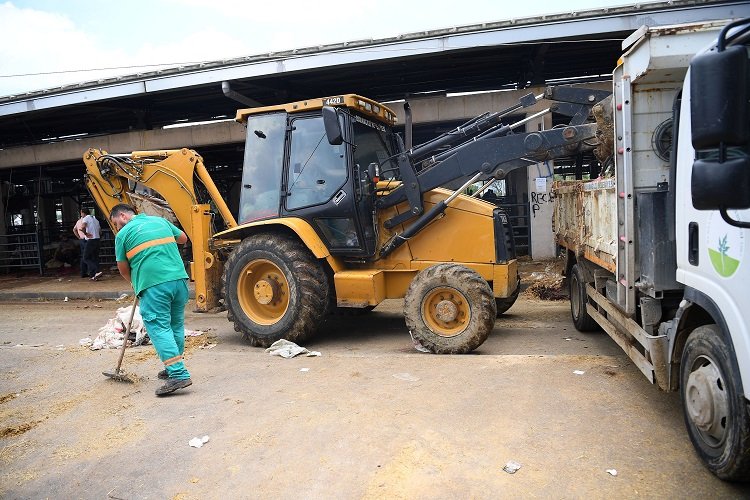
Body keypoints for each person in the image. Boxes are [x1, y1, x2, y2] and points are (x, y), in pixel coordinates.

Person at [109, 203, 192, 396]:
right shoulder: (160, 221)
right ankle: (173, 366)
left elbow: (122, 268)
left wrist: (137, 284)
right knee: (175, 325)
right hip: (179, 280)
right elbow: (182, 238)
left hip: (154, 284)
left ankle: (178, 374)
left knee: (159, 326)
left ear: (122, 216)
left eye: (115, 223)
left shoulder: (123, 235)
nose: (117, 227)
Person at [79, 208, 103, 281]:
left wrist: (86, 233)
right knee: (94, 257)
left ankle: (97, 271)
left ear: (83, 213)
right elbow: (100, 232)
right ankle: (93, 276)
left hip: (91, 240)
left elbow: (82, 227)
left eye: (81, 213)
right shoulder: (95, 219)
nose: (81, 214)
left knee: (85, 257)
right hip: (97, 240)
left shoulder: (86, 218)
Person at [73, 211, 88, 277]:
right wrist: (86, 234)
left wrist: (78, 237)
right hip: (87, 239)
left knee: (83, 256)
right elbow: (83, 228)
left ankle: (83, 272)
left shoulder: (78, 221)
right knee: (89, 256)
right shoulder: (87, 220)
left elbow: (74, 230)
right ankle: (92, 272)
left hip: (81, 240)